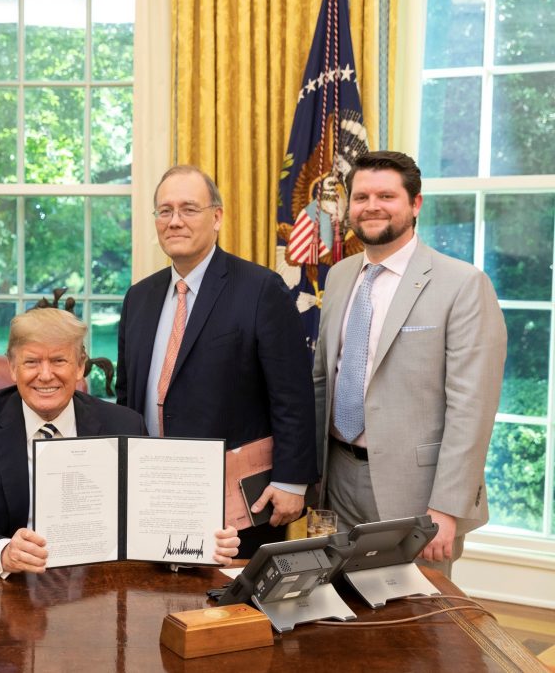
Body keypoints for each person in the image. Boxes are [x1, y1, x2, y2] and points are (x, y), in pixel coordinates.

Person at [0, 307, 244, 576]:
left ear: (81, 367)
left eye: (59, 361)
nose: (46, 375)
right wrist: (4, 551)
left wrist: (199, 544)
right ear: (11, 367)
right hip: (15, 587)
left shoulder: (123, 424)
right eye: (32, 362)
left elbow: (149, 524)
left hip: (100, 584)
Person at [313, 150, 506, 576]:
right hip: (337, 478)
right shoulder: (340, 275)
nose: (372, 206)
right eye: (361, 197)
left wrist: (447, 508)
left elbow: (471, 409)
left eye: (386, 195)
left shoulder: (463, 284)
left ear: (415, 204)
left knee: (416, 629)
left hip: (416, 495)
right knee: (339, 615)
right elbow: (324, 378)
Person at [116, 165, 319, 556]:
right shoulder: (138, 298)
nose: (175, 221)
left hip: (237, 501)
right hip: (154, 494)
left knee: (232, 612)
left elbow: (292, 394)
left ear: (217, 217)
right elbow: (128, 396)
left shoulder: (261, 289)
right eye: (164, 210)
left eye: (189, 209)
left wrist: (292, 481)